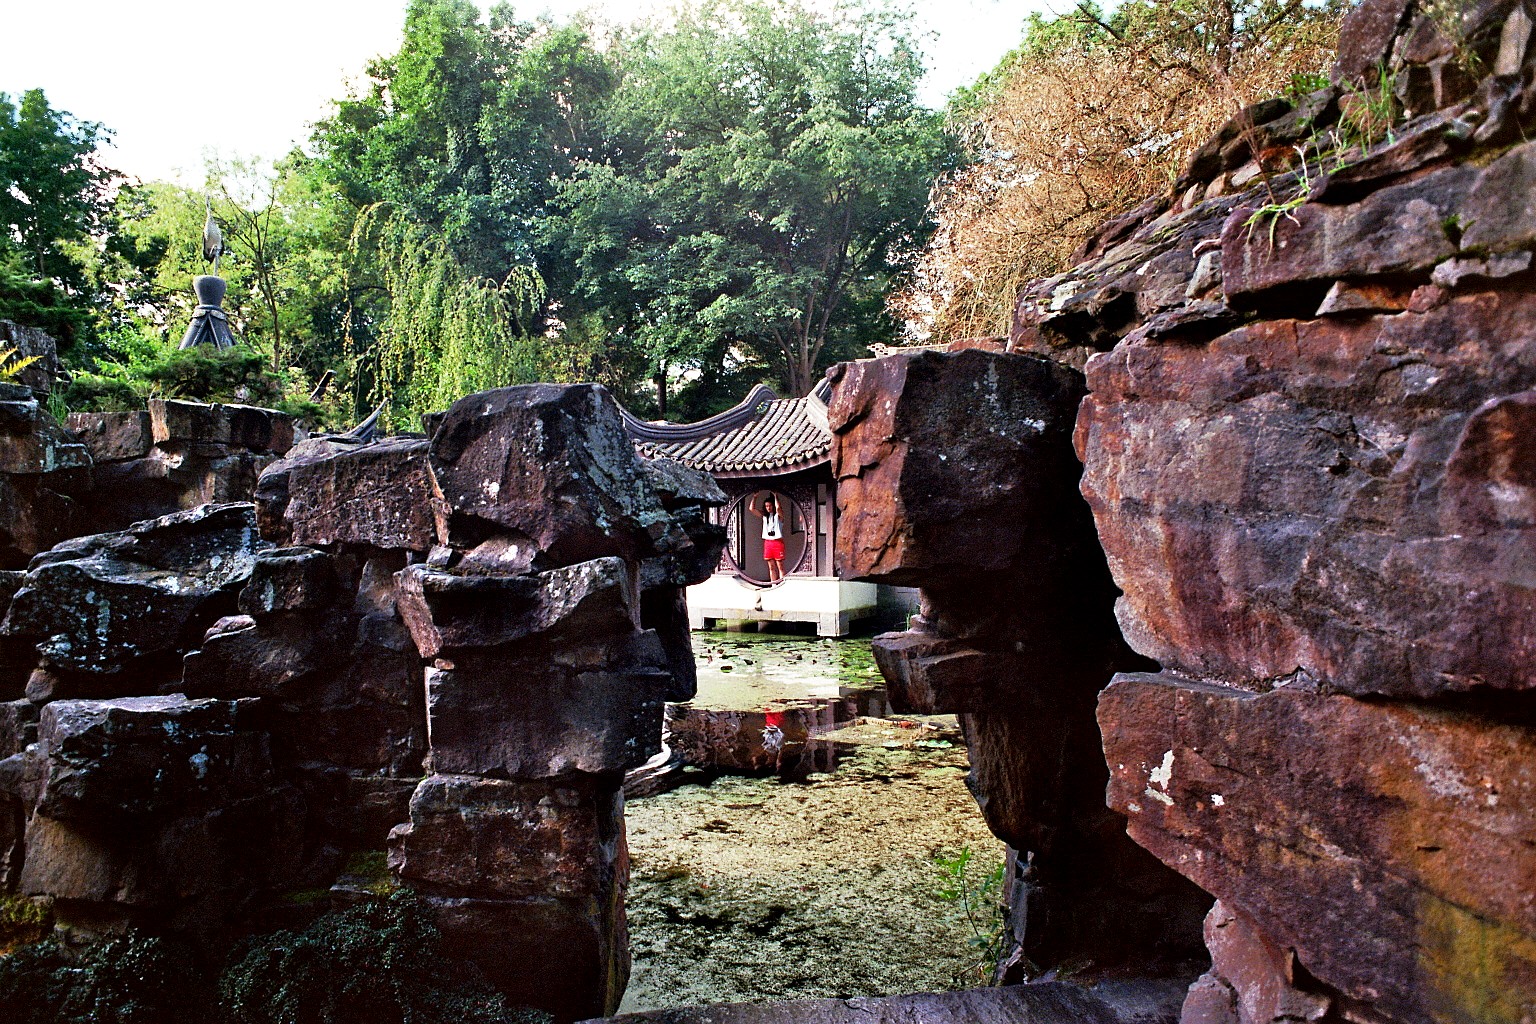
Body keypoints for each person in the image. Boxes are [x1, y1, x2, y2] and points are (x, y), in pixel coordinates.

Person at [749, 492, 786, 582]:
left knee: (780, 566)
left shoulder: (779, 516)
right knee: (771, 566)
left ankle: (781, 584)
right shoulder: (765, 516)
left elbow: (778, 508)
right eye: (766, 506)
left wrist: (776, 496)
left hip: (777, 542)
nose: (768, 508)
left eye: (770, 505)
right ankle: (773, 583)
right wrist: (754, 497)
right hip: (768, 542)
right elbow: (751, 509)